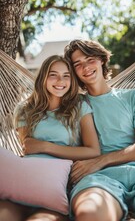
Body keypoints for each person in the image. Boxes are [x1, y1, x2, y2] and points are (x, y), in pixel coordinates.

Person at [64, 39, 135, 221]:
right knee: (90, 214)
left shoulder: (133, 97)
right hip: (96, 179)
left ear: (101, 59)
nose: (85, 67)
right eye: (78, 64)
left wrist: (102, 160)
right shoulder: (73, 106)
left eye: (89, 59)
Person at [0, 55, 100, 221]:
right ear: (43, 77)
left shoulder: (80, 107)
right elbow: (28, 148)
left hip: (58, 185)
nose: (60, 80)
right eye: (53, 74)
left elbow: (94, 151)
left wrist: (46, 147)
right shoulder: (25, 109)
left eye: (66, 76)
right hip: (27, 178)